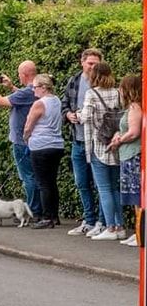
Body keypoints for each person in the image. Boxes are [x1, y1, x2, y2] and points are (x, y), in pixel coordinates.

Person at [0, 61, 41, 218]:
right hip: (31, 141)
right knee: (34, 176)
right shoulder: (34, 91)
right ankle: (37, 210)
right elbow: (22, 96)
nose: (18, 77)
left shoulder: (27, 92)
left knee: (28, 177)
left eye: (19, 74)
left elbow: (0, 102)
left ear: (24, 75)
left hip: (21, 141)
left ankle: (33, 210)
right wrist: (11, 87)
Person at [61, 48, 106, 237]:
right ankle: (88, 220)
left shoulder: (104, 84)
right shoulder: (74, 81)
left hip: (97, 142)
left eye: (96, 63)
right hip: (78, 140)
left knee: (101, 185)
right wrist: (68, 115)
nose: (93, 66)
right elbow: (64, 104)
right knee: (81, 183)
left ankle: (103, 222)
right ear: (82, 62)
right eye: (90, 63)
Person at [79, 62, 125, 241]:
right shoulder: (116, 92)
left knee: (104, 189)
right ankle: (120, 225)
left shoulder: (92, 94)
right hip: (116, 144)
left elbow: (85, 118)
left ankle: (110, 227)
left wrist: (78, 113)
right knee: (115, 188)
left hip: (99, 145)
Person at [22, 74, 64, 229]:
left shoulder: (39, 104)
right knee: (52, 182)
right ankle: (54, 215)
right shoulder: (57, 100)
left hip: (41, 145)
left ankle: (46, 217)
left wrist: (26, 138)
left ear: (44, 87)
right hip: (57, 145)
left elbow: (28, 125)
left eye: (35, 87)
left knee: (43, 183)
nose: (33, 90)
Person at [110, 74, 142, 247]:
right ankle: (138, 232)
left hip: (133, 155)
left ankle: (140, 233)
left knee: (137, 198)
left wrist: (119, 140)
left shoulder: (135, 107)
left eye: (122, 87)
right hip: (129, 154)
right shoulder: (133, 106)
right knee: (134, 198)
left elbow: (134, 132)